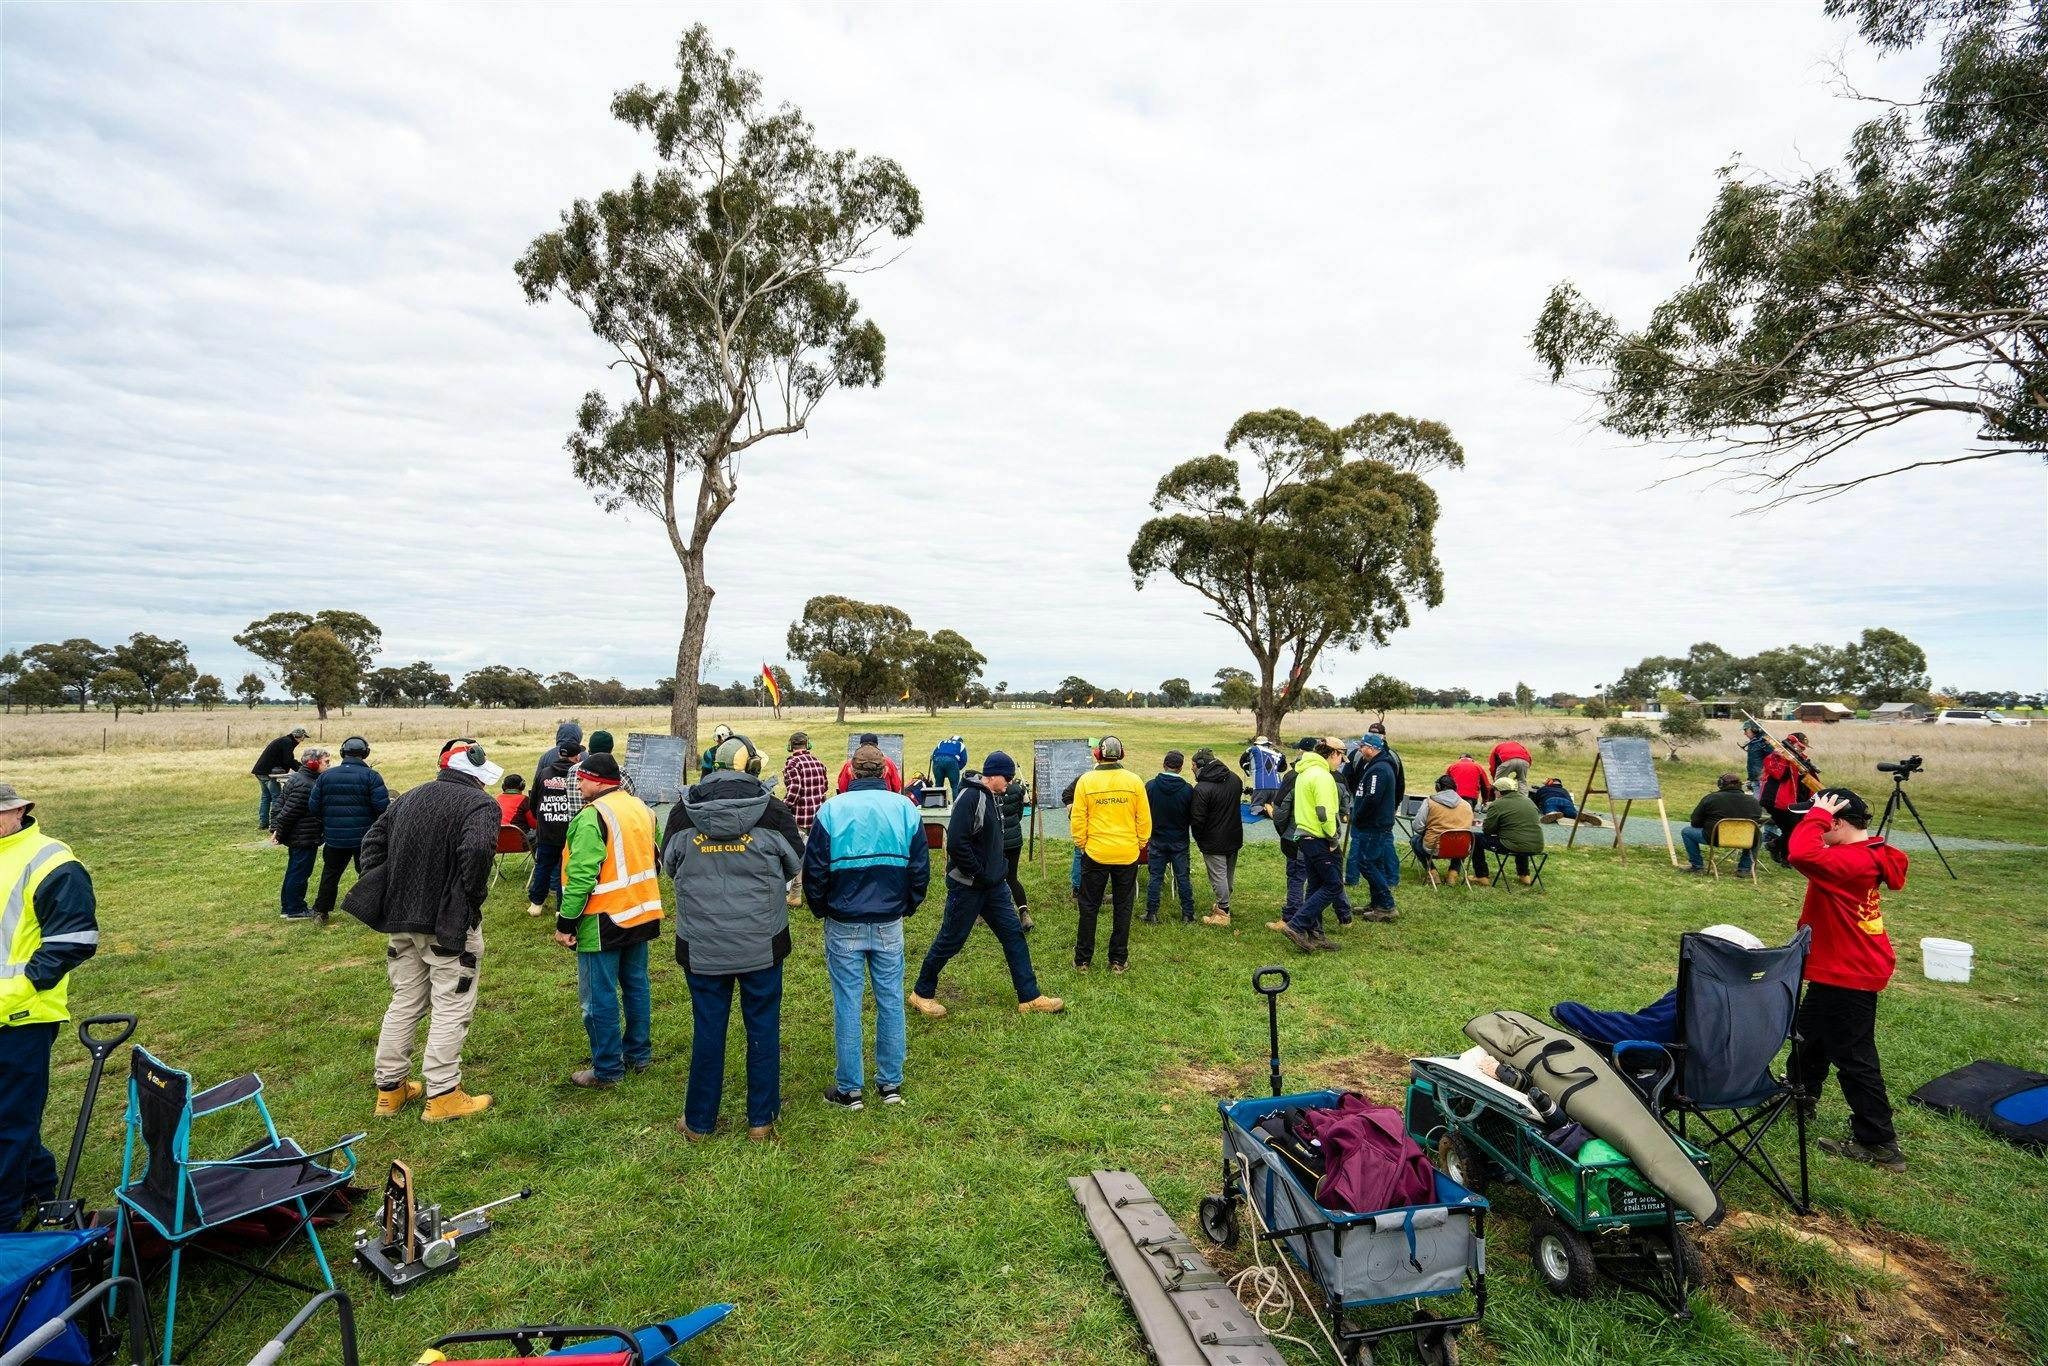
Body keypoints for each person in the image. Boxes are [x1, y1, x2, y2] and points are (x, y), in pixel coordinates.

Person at [346, 744, 501, 1122]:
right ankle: (444, 1094)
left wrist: (385, 886)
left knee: (405, 1001)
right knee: (452, 1004)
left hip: (401, 919)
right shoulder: (480, 804)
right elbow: (477, 850)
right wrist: (469, 896)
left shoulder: (408, 798)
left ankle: (390, 1089)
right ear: (475, 777)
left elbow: (372, 843)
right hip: (447, 923)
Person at [663, 736, 803, 1142]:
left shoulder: (682, 813)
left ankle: (699, 1121)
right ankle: (761, 1119)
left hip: (702, 944)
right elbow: (795, 862)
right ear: (753, 768)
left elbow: (669, 865)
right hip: (762, 941)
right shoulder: (773, 811)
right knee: (764, 1026)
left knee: (708, 1028)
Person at [1789, 789, 1909, 1172]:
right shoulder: (1867, 852)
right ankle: (1799, 1095)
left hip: (1849, 971)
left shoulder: (1848, 861)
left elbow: (1800, 853)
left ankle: (1878, 1142)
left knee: (1855, 1056)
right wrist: (1821, 816)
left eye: (1823, 823)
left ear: (1837, 823)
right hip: (1841, 966)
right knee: (1809, 1035)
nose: (1816, 828)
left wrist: (1817, 817)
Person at [805, 743, 931, 1109]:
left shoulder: (832, 810)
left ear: (851, 771)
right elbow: (920, 868)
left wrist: (822, 908)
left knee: (847, 1002)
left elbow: (815, 869)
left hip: (844, 918)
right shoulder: (906, 809)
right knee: (890, 1000)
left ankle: (850, 1089)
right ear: (886, 771)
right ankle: (890, 1084)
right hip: (889, 917)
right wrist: (907, 905)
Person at [0, 782, 100, 1229]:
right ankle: (38, 1186)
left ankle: (3, 1220)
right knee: (12, 1114)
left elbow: (74, 940)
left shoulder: (51, 861)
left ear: (20, 811)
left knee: (8, 1122)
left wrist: (16, 991)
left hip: (24, 1017)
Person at [911, 752, 1064, 1015]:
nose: (1010, 782)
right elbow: (957, 844)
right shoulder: (971, 797)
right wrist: (980, 874)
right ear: (992, 775)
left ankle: (1029, 997)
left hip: (994, 887)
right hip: (968, 887)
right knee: (950, 940)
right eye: (1007, 777)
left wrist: (997, 870)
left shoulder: (993, 796)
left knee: (1013, 935)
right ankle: (921, 993)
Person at [553, 754, 663, 1089]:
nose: (578, 784)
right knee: (636, 987)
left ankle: (607, 1070)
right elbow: (655, 858)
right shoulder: (642, 808)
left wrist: (565, 923)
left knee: (597, 998)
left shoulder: (591, 816)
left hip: (603, 920)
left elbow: (581, 877)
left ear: (598, 780)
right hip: (641, 912)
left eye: (582, 779)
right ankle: (639, 1055)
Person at [1553, 924, 1765, 1044]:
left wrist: (1572, 1012)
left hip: (1687, 1078)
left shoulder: (1696, 1001)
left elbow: (1638, 1032)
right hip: (1745, 1082)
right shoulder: (1766, 1003)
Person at [1070, 736, 1150, 972]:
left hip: (1096, 852)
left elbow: (1078, 818)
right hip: (1127, 853)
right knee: (1123, 907)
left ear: (1098, 754)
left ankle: (1082, 960)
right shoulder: (1134, 781)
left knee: (1088, 906)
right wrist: (1140, 843)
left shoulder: (1086, 781)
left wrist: (1081, 844)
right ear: (1121, 755)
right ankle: (1118, 960)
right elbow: (1144, 819)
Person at [309, 735, 389, 923]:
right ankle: (372, 909)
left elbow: (313, 806)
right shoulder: (371, 776)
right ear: (365, 753)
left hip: (334, 838)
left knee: (330, 874)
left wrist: (330, 822)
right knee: (369, 874)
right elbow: (383, 808)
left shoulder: (325, 776)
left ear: (342, 752)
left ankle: (321, 911)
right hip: (365, 838)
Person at [1277, 737, 1347, 952]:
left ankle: (1316, 935)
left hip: (1303, 836)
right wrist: (1333, 838)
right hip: (1319, 837)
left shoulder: (1304, 772)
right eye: (1341, 758)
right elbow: (1324, 812)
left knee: (1316, 885)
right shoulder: (1323, 776)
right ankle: (1296, 925)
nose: (1341, 763)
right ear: (1333, 753)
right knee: (1334, 885)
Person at [270, 746, 330, 921]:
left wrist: (276, 827)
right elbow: (288, 813)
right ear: (313, 763)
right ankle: (295, 909)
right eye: (326, 762)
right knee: (299, 873)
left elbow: (279, 804)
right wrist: (278, 832)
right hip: (304, 836)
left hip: (300, 834)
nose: (328, 765)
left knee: (294, 871)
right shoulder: (306, 785)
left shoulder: (297, 778)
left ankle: (288, 907)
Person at [1345, 733, 1400, 918]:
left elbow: (1372, 798)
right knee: (1374, 863)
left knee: (1366, 863)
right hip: (1375, 823)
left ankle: (1386, 905)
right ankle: (1377, 903)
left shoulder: (1379, 769)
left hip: (1373, 824)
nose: (1360, 750)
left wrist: (1359, 817)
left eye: (1362, 747)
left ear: (1371, 748)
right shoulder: (1376, 766)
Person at [527, 740, 584, 917]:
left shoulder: (544, 773)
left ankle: (536, 903)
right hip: (569, 831)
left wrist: (543, 818)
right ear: (577, 757)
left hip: (546, 828)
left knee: (543, 866)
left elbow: (533, 802)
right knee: (566, 870)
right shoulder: (578, 775)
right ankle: (561, 908)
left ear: (559, 754)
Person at [1189, 748, 1244, 926]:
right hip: (1233, 835)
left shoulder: (1202, 789)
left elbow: (1197, 819)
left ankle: (1223, 913)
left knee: (1218, 876)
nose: (1191, 768)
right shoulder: (1235, 778)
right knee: (1227, 875)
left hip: (1213, 840)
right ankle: (1223, 904)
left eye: (1193, 765)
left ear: (1200, 765)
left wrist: (1199, 838)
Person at [1143, 751, 1196, 924]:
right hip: (1179, 840)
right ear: (1180, 768)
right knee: (1183, 877)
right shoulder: (1187, 790)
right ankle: (1188, 914)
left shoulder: (1150, 786)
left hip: (1157, 839)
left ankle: (1151, 913)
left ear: (1164, 765)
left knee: (1155, 877)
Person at [1681, 773, 1769, 875]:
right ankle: (1745, 869)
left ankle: (1697, 866)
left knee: (1687, 832)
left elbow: (1695, 822)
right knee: (1757, 835)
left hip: (1715, 838)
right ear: (1740, 785)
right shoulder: (1754, 801)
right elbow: (1756, 820)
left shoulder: (1711, 798)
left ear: (1720, 784)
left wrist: (1707, 824)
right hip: (1745, 839)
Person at [1474, 773, 1543, 886]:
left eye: (1494, 790)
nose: (1494, 793)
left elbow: (1487, 830)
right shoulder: (1529, 801)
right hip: (1537, 845)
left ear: (1499, 791)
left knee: (1475, 838)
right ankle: (1524, 875)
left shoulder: (1497, 804)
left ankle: (1481, 876)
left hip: (1513, 845)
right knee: (1520, 838)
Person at [1758, 731, 1815, 865]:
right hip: (1776, 801)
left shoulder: (1800, 759)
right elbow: (1779, 775)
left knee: (1794, 829)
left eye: (1803, 747)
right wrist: (1783, 758)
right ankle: (1781, 853)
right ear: (1791, 743)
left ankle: (1778, 849)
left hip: (1794, 801)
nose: (1802, 749)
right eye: (1800, 746)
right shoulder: (1774, 757)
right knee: (1793, 829)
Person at [1412, 775, 1474, 882]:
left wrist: (1427, 832)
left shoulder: (1429, 802)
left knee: (1415, 841)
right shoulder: (1467, 805)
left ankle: (1432, 873)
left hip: (1434, 848)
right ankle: (1453, 873)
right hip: (1461, 848)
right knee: (1458, 843)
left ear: (1438, 787)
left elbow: (1417, 826)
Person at [995, 766, 1034, 931]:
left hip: (997, 840)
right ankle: (1024, 913)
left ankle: (982, 913)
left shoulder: (993, 790)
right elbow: (1019, 813)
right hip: (1014, 839)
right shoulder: (1017, 789)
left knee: (991, 877)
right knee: (1012, 878)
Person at [251, 725, 310, 829]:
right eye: (303, 737)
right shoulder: (287, 742)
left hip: (260, 771)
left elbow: (286, 759)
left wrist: (299, 766)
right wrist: (302, 770)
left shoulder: (284, 740)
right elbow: (288, 760)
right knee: (277, 797)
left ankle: (263, 823)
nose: (302, 740)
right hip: (268, 773)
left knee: (265, 797)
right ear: (298, 736)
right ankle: (275, 823)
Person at [836, 734, 903, 793]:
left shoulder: (850, 764)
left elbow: (842, 786)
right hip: (884, 797)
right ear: (877, 746)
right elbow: (896, 786)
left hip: (854, 797)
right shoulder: (888, 762)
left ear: (860, 745)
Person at [532, 720, 583, 795]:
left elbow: (537, 782)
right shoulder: (583, 755)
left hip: (549, 797)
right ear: (578, 736)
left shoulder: (546, 756)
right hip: (575, 797)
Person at [1239, 735, 1286, 810]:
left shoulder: (1254, 749)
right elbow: (1282, 768)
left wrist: (1248, 768)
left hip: (1260, 786)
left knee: (1256, 809)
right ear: (1268, 744)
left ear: (1257, 744)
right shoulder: (1277, 753)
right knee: (1275, 809)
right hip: (1277, 787)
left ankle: (1266, 808)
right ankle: (1268, 809)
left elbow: (1242, 762)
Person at [1741, 720, 1773, 795]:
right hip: (1754, 778)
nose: (1744, 733)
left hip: (1762, 779)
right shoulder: (1753, 742)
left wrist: (1768, 745)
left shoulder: (1766, 741)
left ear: (1754, 730)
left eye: (1746, 730)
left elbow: (1773, 759)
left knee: (1759, 799)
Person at [497, 773, 533, 838]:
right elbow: (533, 824)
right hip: (518, 840)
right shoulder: (525, 800)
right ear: (522, 786)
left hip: (498, 839)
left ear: (503, 786)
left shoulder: (498, 798)